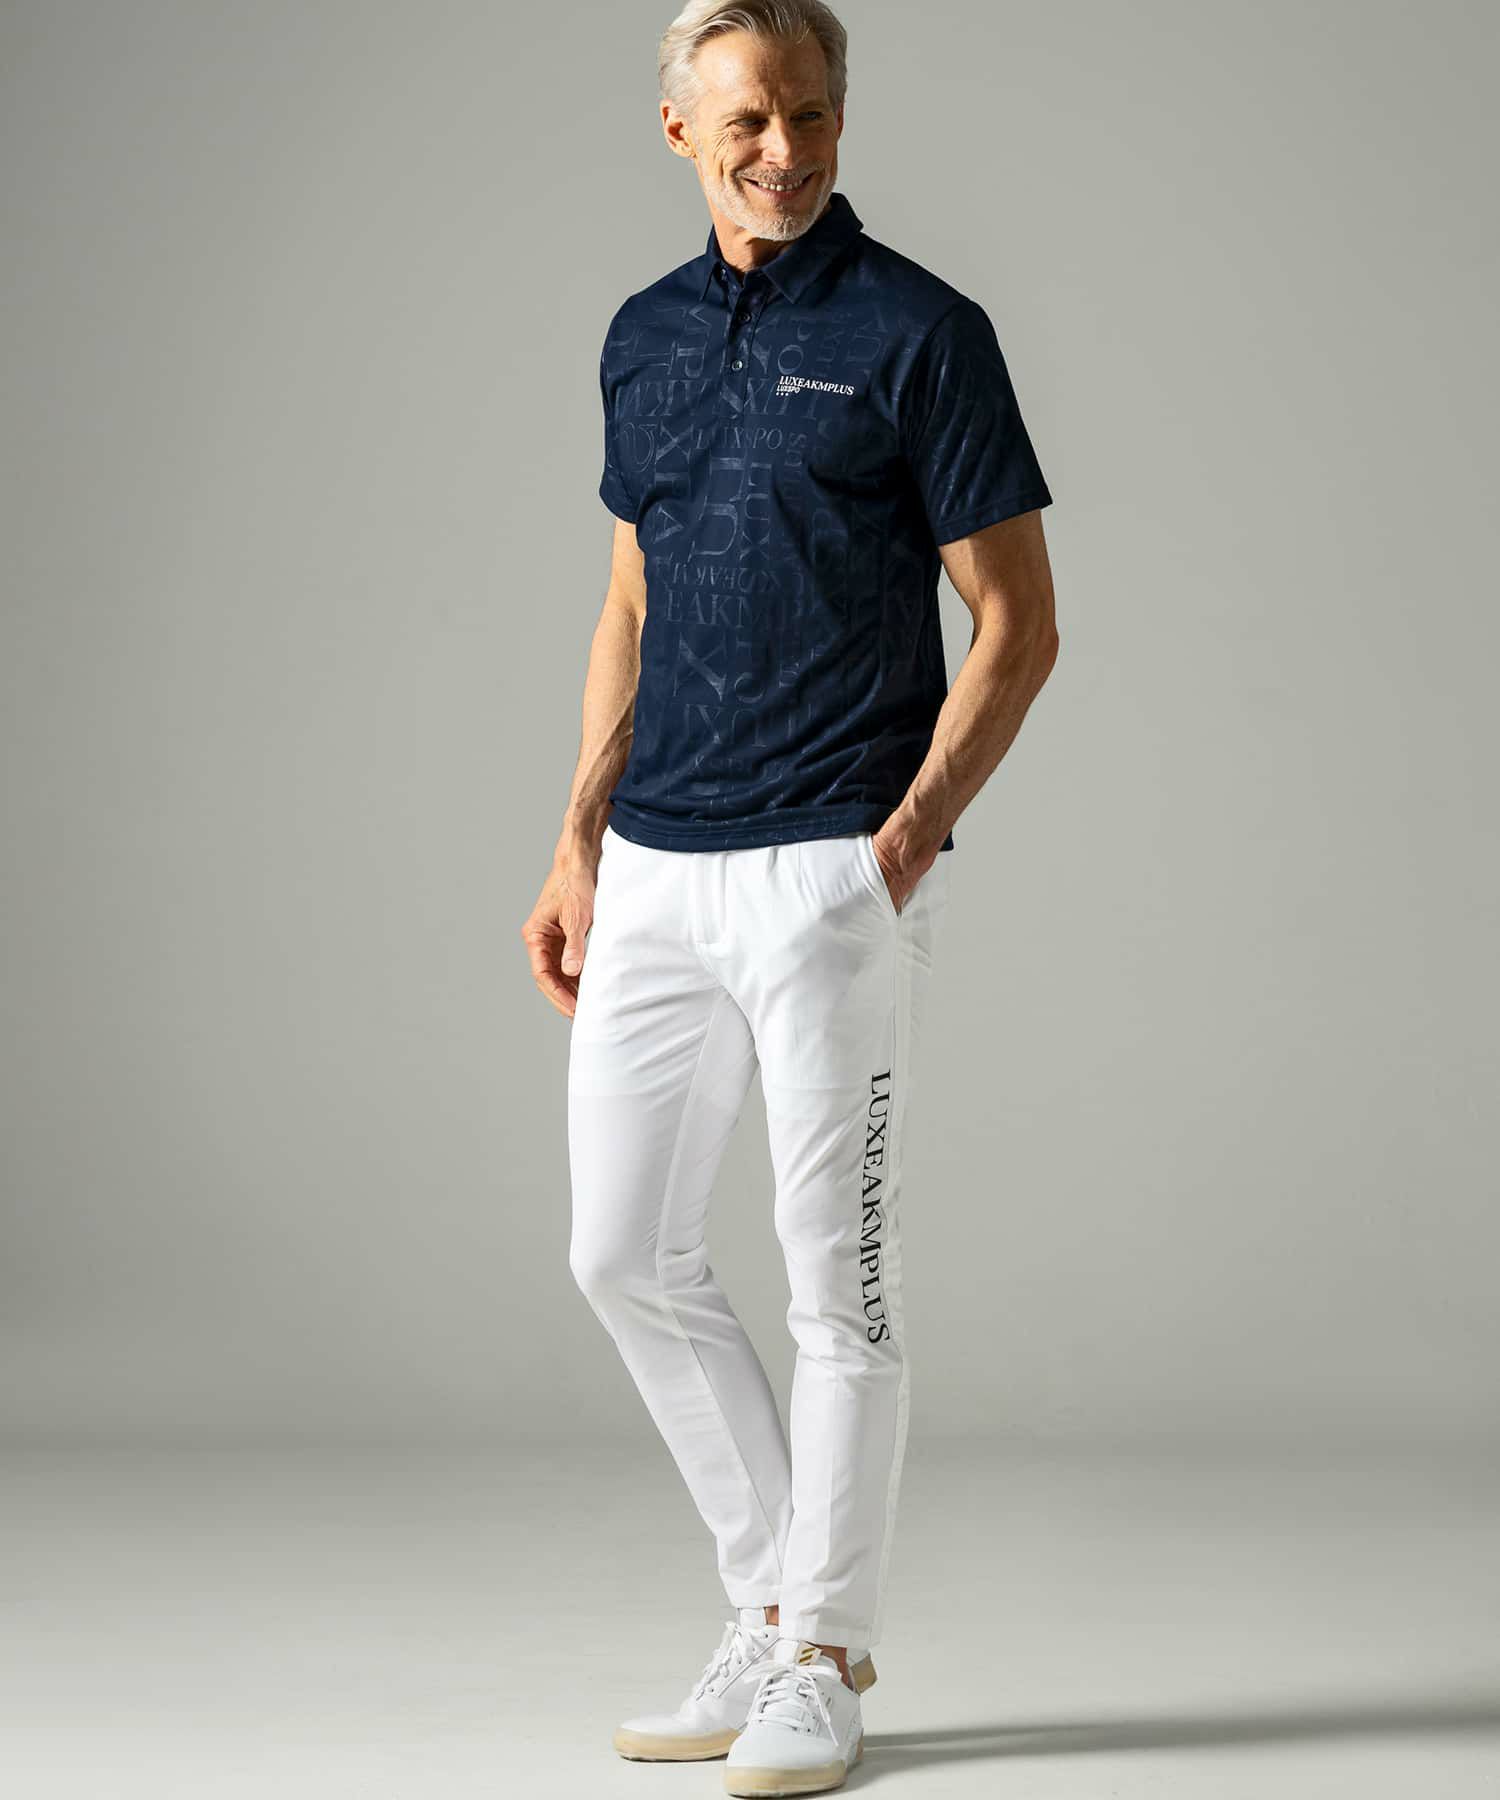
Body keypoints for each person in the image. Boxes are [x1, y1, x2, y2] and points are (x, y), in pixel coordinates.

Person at [521, 1, 1058, 1791]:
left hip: (828, 866)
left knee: (839, 1286)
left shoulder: (921, 330)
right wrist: (578, 839)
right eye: (749, 119)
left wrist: (900, 846)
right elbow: (631, 598)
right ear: (680, 128)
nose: (786, 151)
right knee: (622, 1252)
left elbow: (1019, 621)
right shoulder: (643, 336)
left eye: (812, 115)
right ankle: (771, 1603)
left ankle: (823, 1652)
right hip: (657, 865)